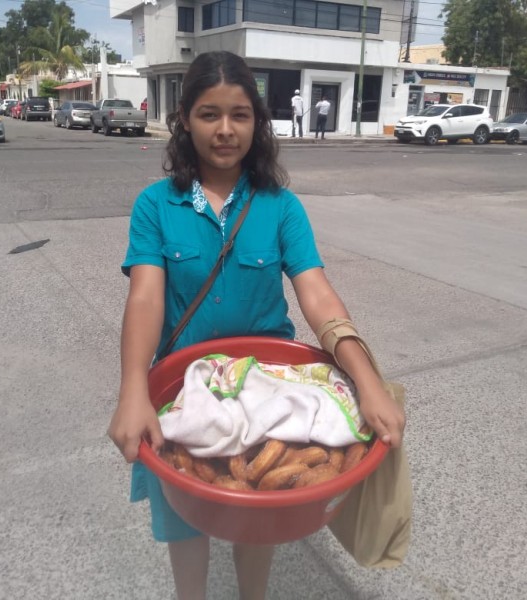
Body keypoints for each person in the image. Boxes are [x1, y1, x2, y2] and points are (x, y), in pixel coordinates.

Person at [107, 51, 405, 600]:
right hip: (183, 386)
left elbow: (316, 292)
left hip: (267, 387)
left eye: (240, 115)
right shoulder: (155, 206)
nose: (225, 130)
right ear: (184, 121)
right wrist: (133, 391)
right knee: (185, 521)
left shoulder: (281, 206)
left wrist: (367, 381)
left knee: (258, 521)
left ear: (258, 122)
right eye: (209, 114)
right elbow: (145, 299)